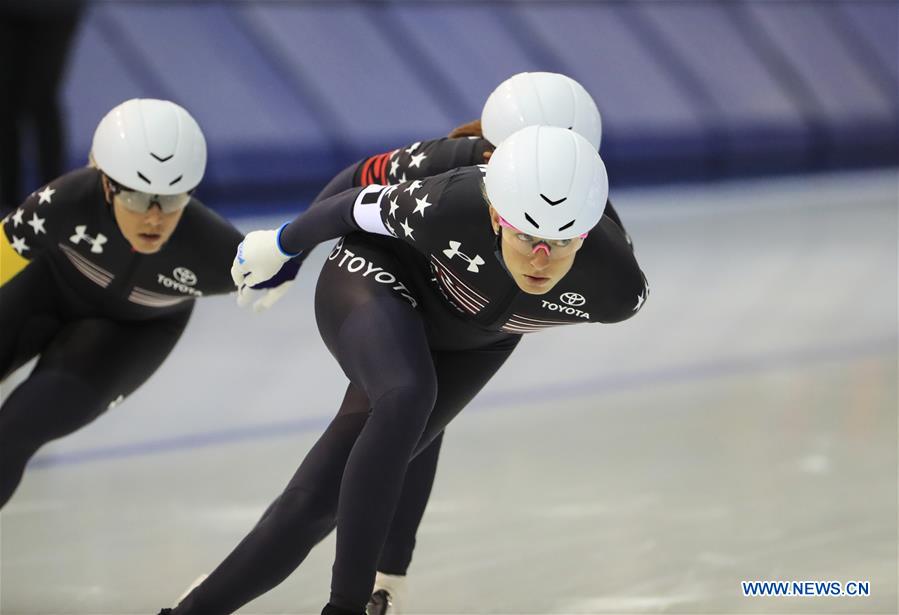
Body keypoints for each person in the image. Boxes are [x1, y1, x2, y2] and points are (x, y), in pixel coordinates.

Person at [163, 124, 648, 615]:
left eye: (562, 242)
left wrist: (393, 569)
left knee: (323, 497)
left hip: (475, 345)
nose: (540, 259)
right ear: (496, 215)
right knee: (408, 395)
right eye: (525, 235)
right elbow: (351, 202)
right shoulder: (449, 203)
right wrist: (285, 247)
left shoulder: (617, 288)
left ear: (587, 232)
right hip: (380, 280)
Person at [312, 71, 633, 614]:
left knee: (422, 423)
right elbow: (353, 184)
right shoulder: (452, 163)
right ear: (490, 149)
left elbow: (611, 255)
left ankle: (389, 577)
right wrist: (288, 253)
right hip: (399, 291)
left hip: (473, 316)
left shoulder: (573, 200)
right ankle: (379, 576)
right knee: (404, 417)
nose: (544, 180)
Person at [0, 98, 297, 508]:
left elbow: (301, 259)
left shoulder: (219, 253)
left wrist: (288, 265)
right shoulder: (61, 204)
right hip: (44, 289)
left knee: (14, 430)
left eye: (173, 199)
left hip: (129, 335)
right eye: (138, 198)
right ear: (107, 185)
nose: (154, 218)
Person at [0, 0, 85, 216]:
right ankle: (9, 200)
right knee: (7, 103)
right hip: (9, 11)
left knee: (40, 100)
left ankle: (55, 203)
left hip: (54, 11)